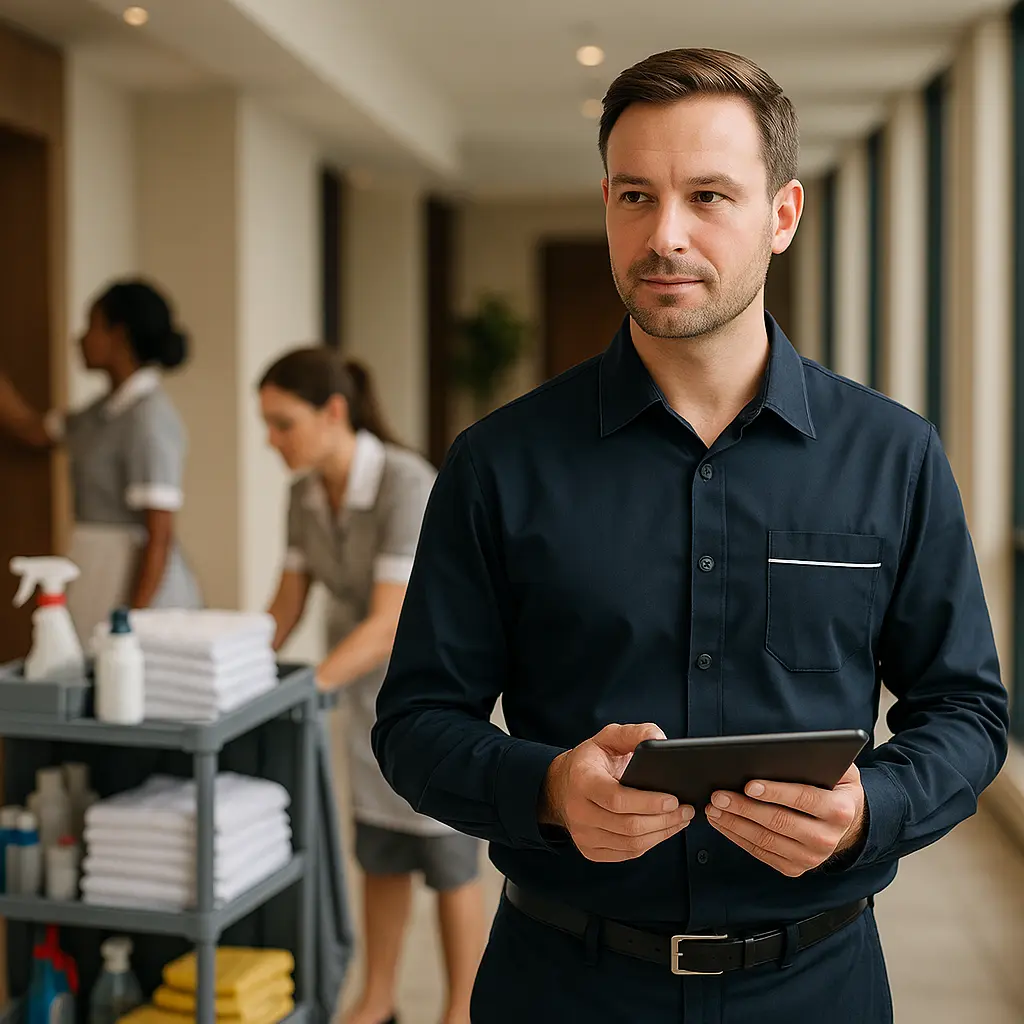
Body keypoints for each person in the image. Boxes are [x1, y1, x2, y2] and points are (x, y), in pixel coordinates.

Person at [371, 48, 1009, 1023]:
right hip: (559, 985)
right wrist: (544, 786)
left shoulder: (893, 455)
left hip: (817, 988)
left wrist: (867, 811)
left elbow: (964, 710)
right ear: (606, 205)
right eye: (635, 195)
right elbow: (415, 722)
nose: (663, 234)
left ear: (781, 215)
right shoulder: (498, 462)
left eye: (709, 195)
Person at [259, 348, 486, 1024]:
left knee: (446, 855)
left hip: (430, 683)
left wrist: (307, 686)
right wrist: (239, 669)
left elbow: (392, 619)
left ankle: (460, 1010)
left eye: (282, 423)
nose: (271, 440)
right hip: (357, 690)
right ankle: (378, 996)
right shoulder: (303, 495)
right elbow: (286, 603)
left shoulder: (405, 484)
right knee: (379, 847)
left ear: (333, 413)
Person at [0, 278, 201, 637]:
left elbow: (160, 534)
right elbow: (33, 429)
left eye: (91, 326)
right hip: (95, 567)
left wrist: (130, 621)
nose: (79, 339)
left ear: (118, 335)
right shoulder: (99, 414)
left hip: (134, 580)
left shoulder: (149, 420)